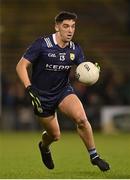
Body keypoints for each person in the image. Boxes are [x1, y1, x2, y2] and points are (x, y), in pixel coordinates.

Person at [16, 11, 110, 171]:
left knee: (81, 119)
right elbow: (21, 66)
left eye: (73, 26)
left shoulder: (76, 49)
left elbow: (84, 68)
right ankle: (44, 147)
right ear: (56, 27)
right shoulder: (42, 44)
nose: (70, 30)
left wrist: (93, 71)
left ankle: (94, 156)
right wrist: (29, 88)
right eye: (66, 26)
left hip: (63, 91)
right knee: (55, 135)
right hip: (41, 96)